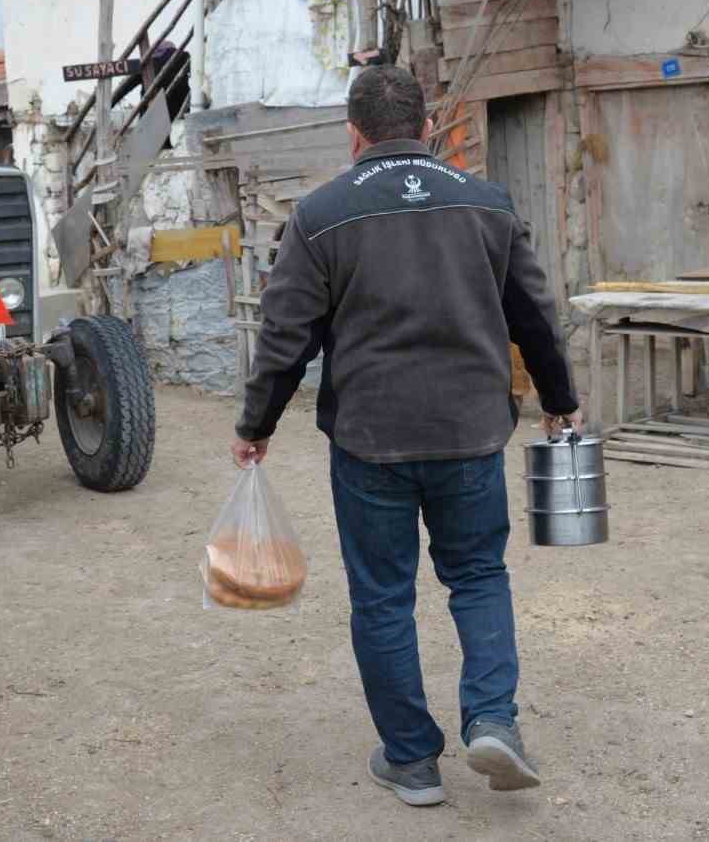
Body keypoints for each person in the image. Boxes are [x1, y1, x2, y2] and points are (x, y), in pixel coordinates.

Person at [230, 65, 583, 807]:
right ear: (426, 128)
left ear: (353, 135)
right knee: (479, 576)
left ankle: (413, 763)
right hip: (471, 432)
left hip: (370, 442)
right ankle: (492, 720)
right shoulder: (486, 204)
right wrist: (561, 400)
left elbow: (285, 335)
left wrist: (255, 426)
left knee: (383, 597)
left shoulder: (320, 214)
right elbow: (534, 316)